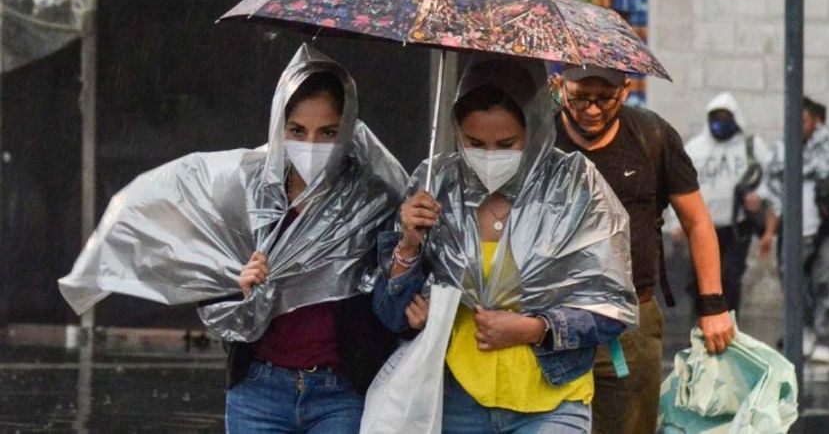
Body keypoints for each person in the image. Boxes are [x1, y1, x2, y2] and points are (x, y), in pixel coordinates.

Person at [372, 58, 639, 434]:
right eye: (474, 143)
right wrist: (409, 244)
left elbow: (611, 307)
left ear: (535, 130)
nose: (489, 156)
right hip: (459, 399)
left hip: (552, 402)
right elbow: (391, 314)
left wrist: (534, 329)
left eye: (506, 144)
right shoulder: (436, 184)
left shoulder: (575, 186)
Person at [223, 46, 406, 433]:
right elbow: (214, 297)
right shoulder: (252, 196)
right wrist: (238, 285)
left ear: (348, 129)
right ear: (279, 128)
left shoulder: (373, 202)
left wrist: (407, 254)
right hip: (258, 392)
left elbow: (390, 307)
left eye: (328, 133)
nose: (310, 145)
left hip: (341, 394)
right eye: (297, 131)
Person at [550, 65, 735, 434]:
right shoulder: (539, 137)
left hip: (630, 317)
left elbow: (697, 221)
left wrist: (713, 305)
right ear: (558, 87)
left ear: (625, 90)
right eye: (580, 98)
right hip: (552, 318)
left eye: (604, 98)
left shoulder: (653, 136)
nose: (592, 109)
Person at [667, 92, 778, 318]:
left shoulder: (750, 147)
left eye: (725, 117)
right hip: (702, 226)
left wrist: (758, 195)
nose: (720, 123)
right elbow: (677, 185)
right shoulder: (695, 148)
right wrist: (675, 222)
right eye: (716, 117)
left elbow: (772, 177)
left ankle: (730, 324)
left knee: (730, 278)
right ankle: (701, 324)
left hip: (736, 227)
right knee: (700, 279)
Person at [767, 97, 829, 364]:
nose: (798, 126)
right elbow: (773, 191)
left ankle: (823, 338)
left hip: (827, 229)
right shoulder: (782, 148)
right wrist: (769, 231)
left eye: (803, 121)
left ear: (815, 121)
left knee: (825, 285)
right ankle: (805, 332)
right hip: (793, 230)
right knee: (795, 286)